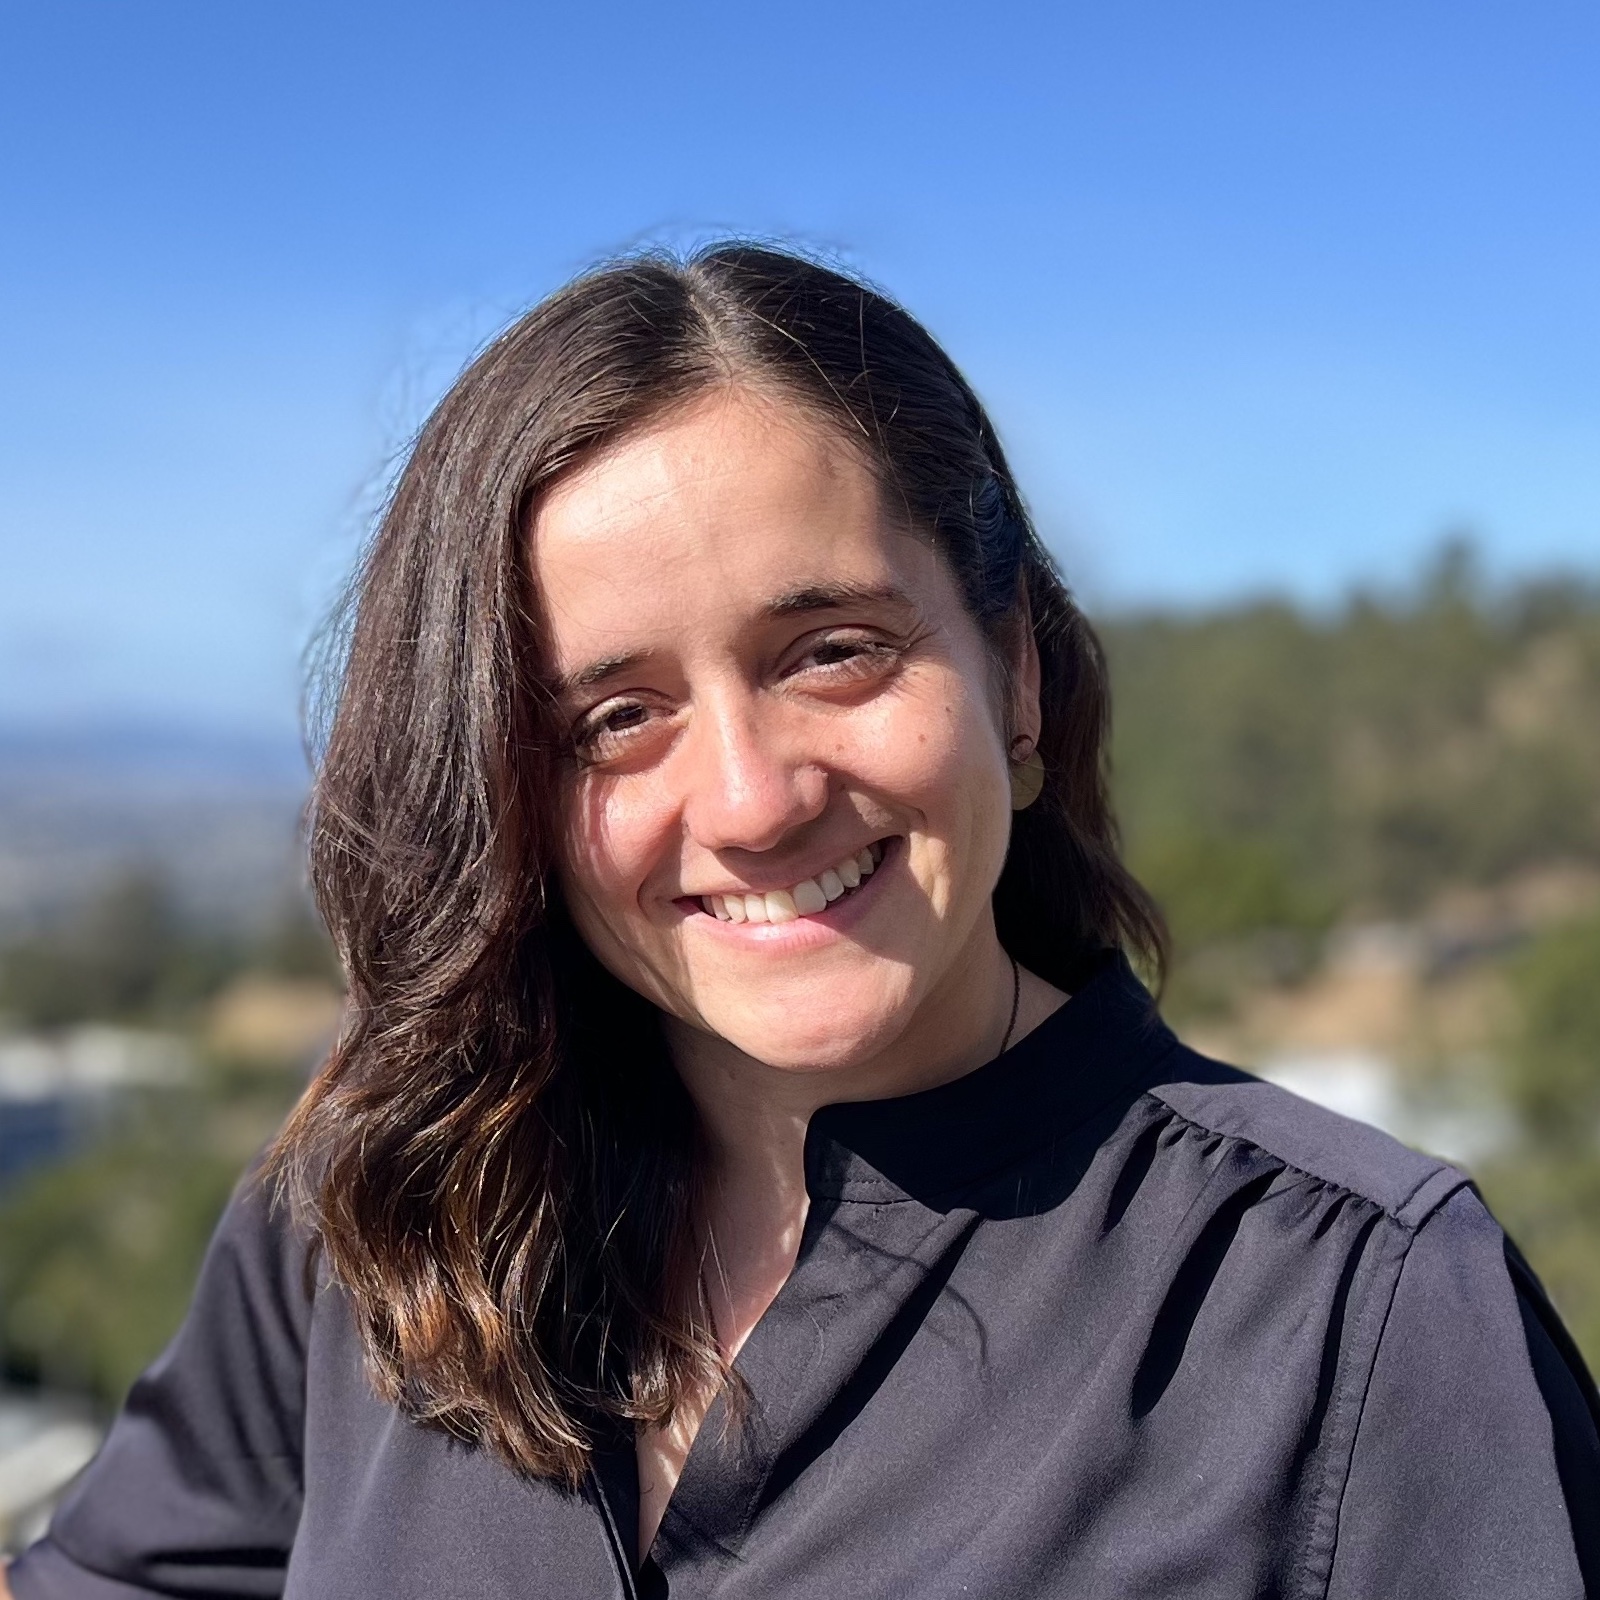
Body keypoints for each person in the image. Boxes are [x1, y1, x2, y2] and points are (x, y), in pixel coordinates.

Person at [5, 244, 1596, 1600]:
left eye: (833, 649)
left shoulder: (1359, 1313)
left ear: (1016, 675)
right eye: (614, 717)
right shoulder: (378, 1205)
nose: (754, 799)